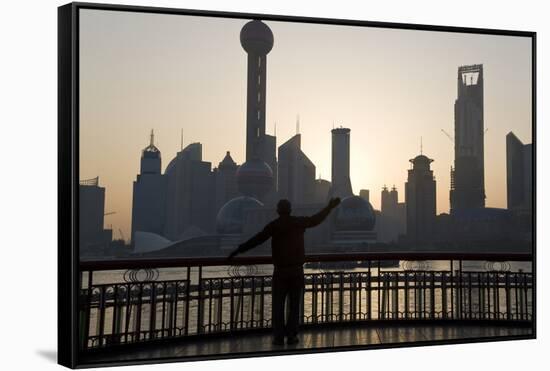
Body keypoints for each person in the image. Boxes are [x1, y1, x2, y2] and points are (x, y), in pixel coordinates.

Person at [227, 197, 341, 345]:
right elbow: (316, 219)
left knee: (278, 306)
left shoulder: (274, 225)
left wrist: (238, 250)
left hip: (280, 272)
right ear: (290, 209)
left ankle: (278, 336)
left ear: (278, 210)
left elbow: (257, 239)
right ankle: (292, 335)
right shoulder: (298, 222)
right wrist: (329, 207)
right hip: (296, 271)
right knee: (294, 306)